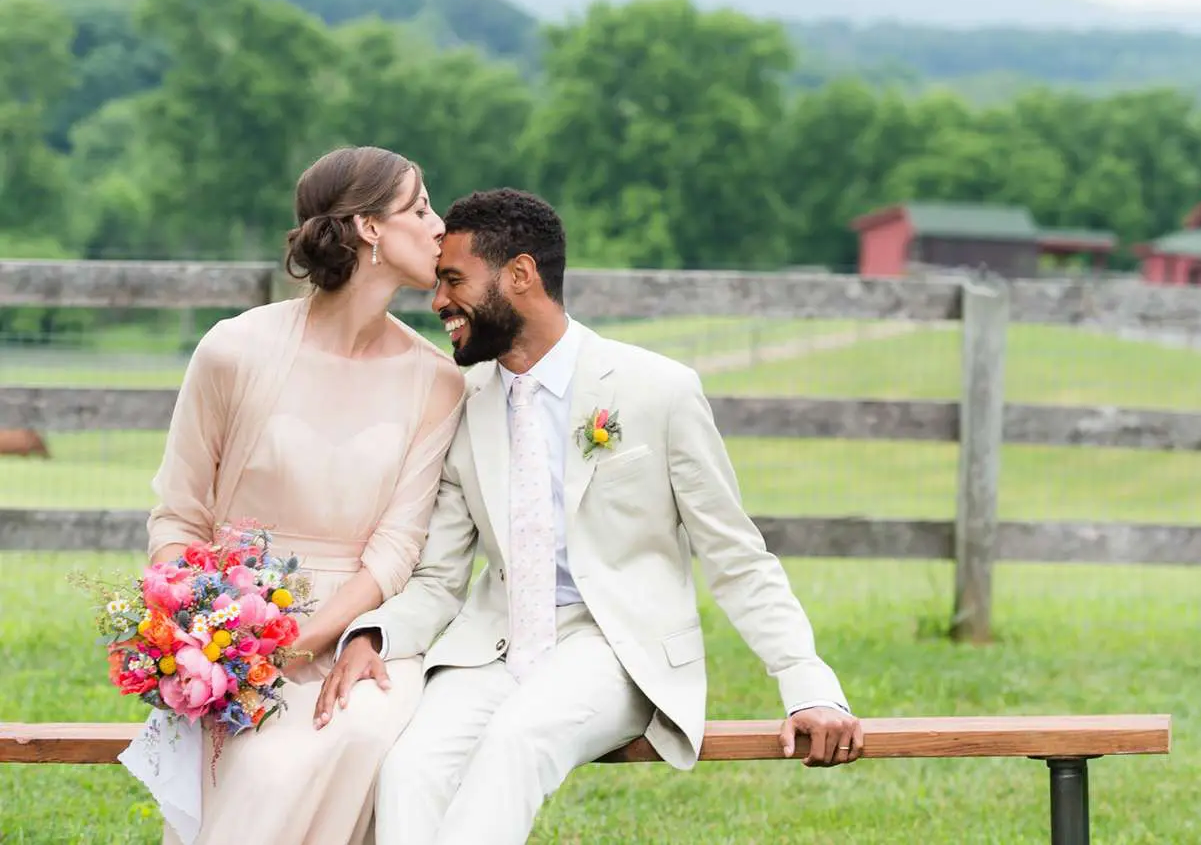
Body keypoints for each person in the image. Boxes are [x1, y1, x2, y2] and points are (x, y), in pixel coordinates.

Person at [318, 188, 862, 845]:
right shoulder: (463, 401)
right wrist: (374, 635)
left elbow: (737, 557)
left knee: (517, 742)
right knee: (409, 769)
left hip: (616, 648)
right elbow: (439, 579)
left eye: (454, 280)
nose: (437, 303)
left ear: (520, 275)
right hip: (493, 647)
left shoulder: (657, 390)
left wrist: (808, 683)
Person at [130, 146, 465, 845]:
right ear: (370, 227)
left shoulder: (437, 380)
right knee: (264, 769)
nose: (440, 227)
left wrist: (319, 636)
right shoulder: (233, 351)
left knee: (364, 731)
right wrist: (199, 631)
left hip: (358, 632)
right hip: (235, 632)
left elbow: (399, 545)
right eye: (422, 207)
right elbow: (181, 512)